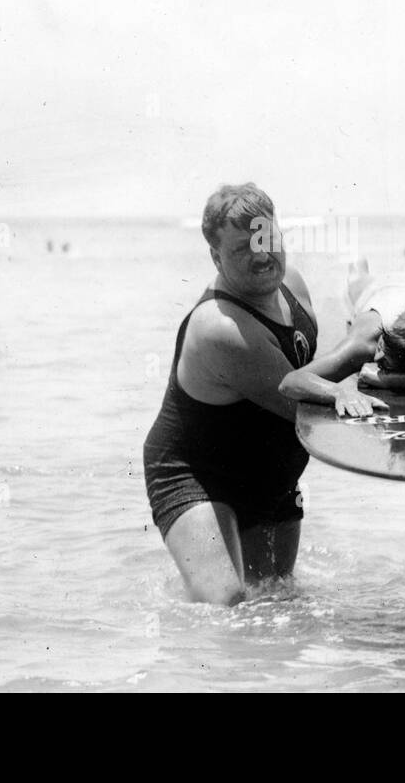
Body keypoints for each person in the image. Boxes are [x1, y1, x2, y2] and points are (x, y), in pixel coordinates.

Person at [143, 183, 336, 606]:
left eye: (267, 238)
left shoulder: (294, 287)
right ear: (215, 257)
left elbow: (319, 379)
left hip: (269, 473)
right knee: (225, 608)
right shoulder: (220, 327)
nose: (262, 255)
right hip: (197, 473)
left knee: (276, 602)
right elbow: (307, 409)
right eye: (242, 248)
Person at [278, 250, 405, 411]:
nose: (376, 357)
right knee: (356, 280)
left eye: (385, 364)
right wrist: (337, 392)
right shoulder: (365, 339)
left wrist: (386, 379)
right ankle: (359, 261)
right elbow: (290, 382)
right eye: (381, 350)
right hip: (381, 290)